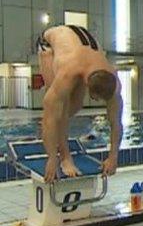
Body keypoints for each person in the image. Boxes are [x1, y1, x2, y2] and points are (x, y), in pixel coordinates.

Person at [37, 25, 123, 183]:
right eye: (95, 98)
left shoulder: (114, 82)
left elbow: (116, 122)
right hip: (49, 45)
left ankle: (53, 135)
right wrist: (51, 158)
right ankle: (65, 157)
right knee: (58, 111)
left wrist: (113, 157)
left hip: (81, 45)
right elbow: (50, 117)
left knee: (75, 106)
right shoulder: (68, 72)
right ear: (87, 84)